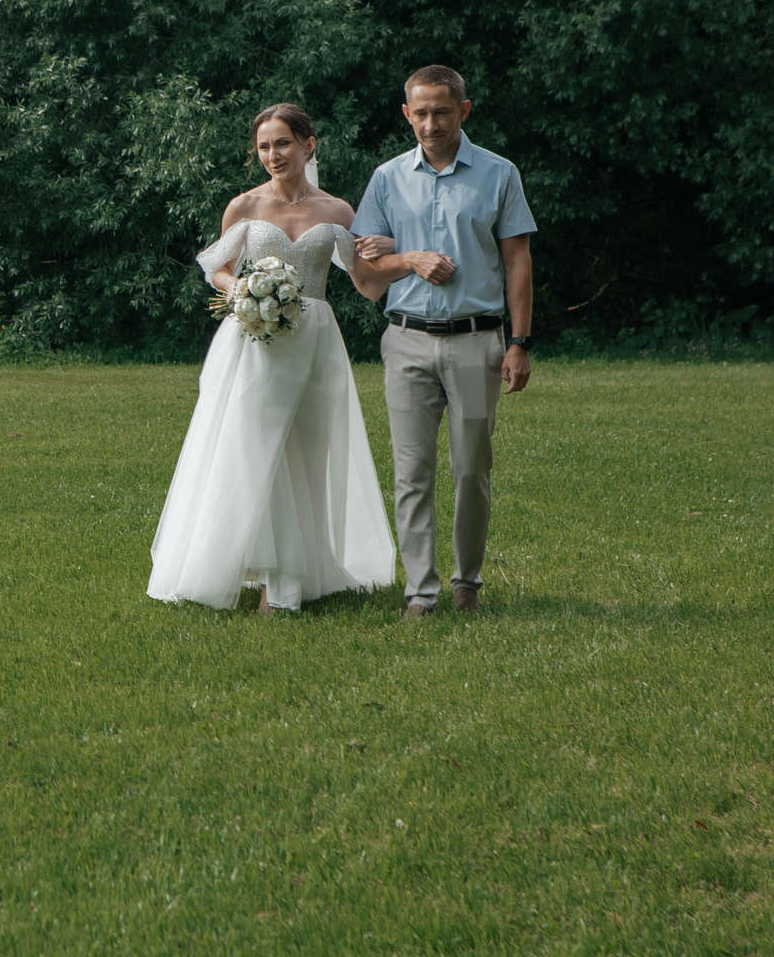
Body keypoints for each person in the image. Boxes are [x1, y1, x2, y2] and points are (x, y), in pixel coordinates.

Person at [148, 104, 396, 613]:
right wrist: (245, 291)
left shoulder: (339, 212)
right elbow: (216, 268)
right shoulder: (244, 206)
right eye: (263, 146)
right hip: (256, 340)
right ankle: (264, 580)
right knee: (256, 448)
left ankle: (298, 572)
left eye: (282, 143)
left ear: (309, 144)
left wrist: (402, 254)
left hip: (316, 340)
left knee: (307, 449)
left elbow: (368, 285)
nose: (272, 155)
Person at [348, 65, 536, 619]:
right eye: (420, 113)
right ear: (406, 113)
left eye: (442, 112)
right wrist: (408, 259)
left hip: (478, 342)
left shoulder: (499, 175)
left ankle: (467, 584)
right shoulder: (386, 178)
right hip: (405, 340)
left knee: (472, 468)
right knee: (412, 472)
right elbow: (367, 260)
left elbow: (517, 261)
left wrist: (520, 341)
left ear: (464, 111)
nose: (430, 123)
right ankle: (420, 594)